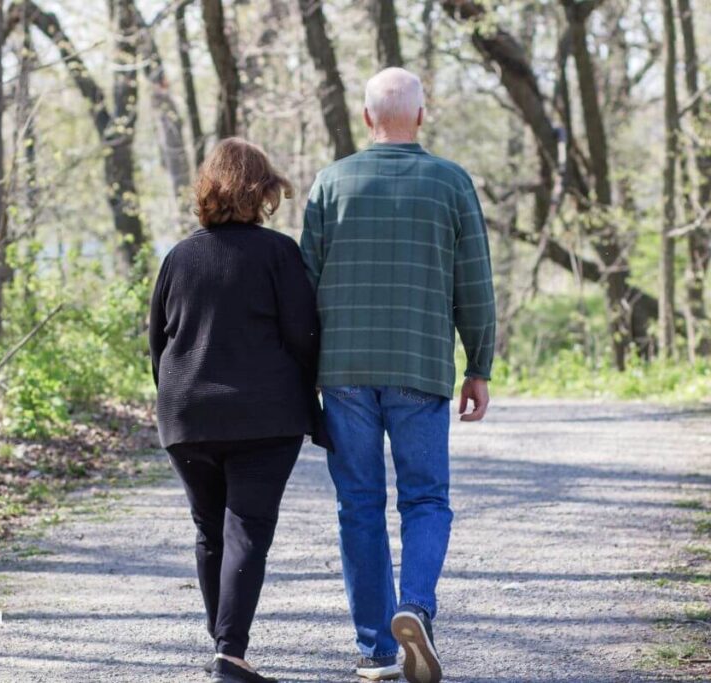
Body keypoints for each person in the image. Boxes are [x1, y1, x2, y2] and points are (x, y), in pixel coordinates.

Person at [300, 68, 496, 683]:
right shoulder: (451, 182)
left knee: (358, 504)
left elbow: (303, 287)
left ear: (366, 118)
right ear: (421, 115)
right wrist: (479, 366)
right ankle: (414, 607)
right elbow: (476, 285)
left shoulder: (332, 182)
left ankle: (376, 649)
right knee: (426, 499)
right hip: (420, 364)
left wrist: (303, 371)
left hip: (345, 372)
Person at [149, 138, 327, 683]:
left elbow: (158, 342)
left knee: (210, 529)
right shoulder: (278, 254)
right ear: (263, 192)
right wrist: (313, 393)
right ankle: (229, 652)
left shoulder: (178, 257)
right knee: (247, 526)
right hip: (264, 417)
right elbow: (304, 334)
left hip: (187, 415)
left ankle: (225, 645)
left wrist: (176, 396)